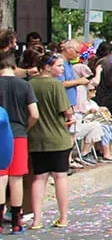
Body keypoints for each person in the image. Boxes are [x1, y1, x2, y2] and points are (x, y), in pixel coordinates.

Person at [27, 52, 75, 229]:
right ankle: (63, 217)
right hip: (58, 137)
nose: (62, 69)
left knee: (39, 178)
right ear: (47, 67)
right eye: (59, 65)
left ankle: (36, 219)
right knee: (60, 176)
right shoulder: (56, 85)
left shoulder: (30, 85)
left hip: (36, 138)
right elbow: (67, 111)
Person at [0, 51, 38, 232]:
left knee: (1, 177)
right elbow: (34, 114)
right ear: (14, 67)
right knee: (16, 178)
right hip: (19, 133)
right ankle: (16, 221)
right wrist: (25, 127)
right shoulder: (24, 86)